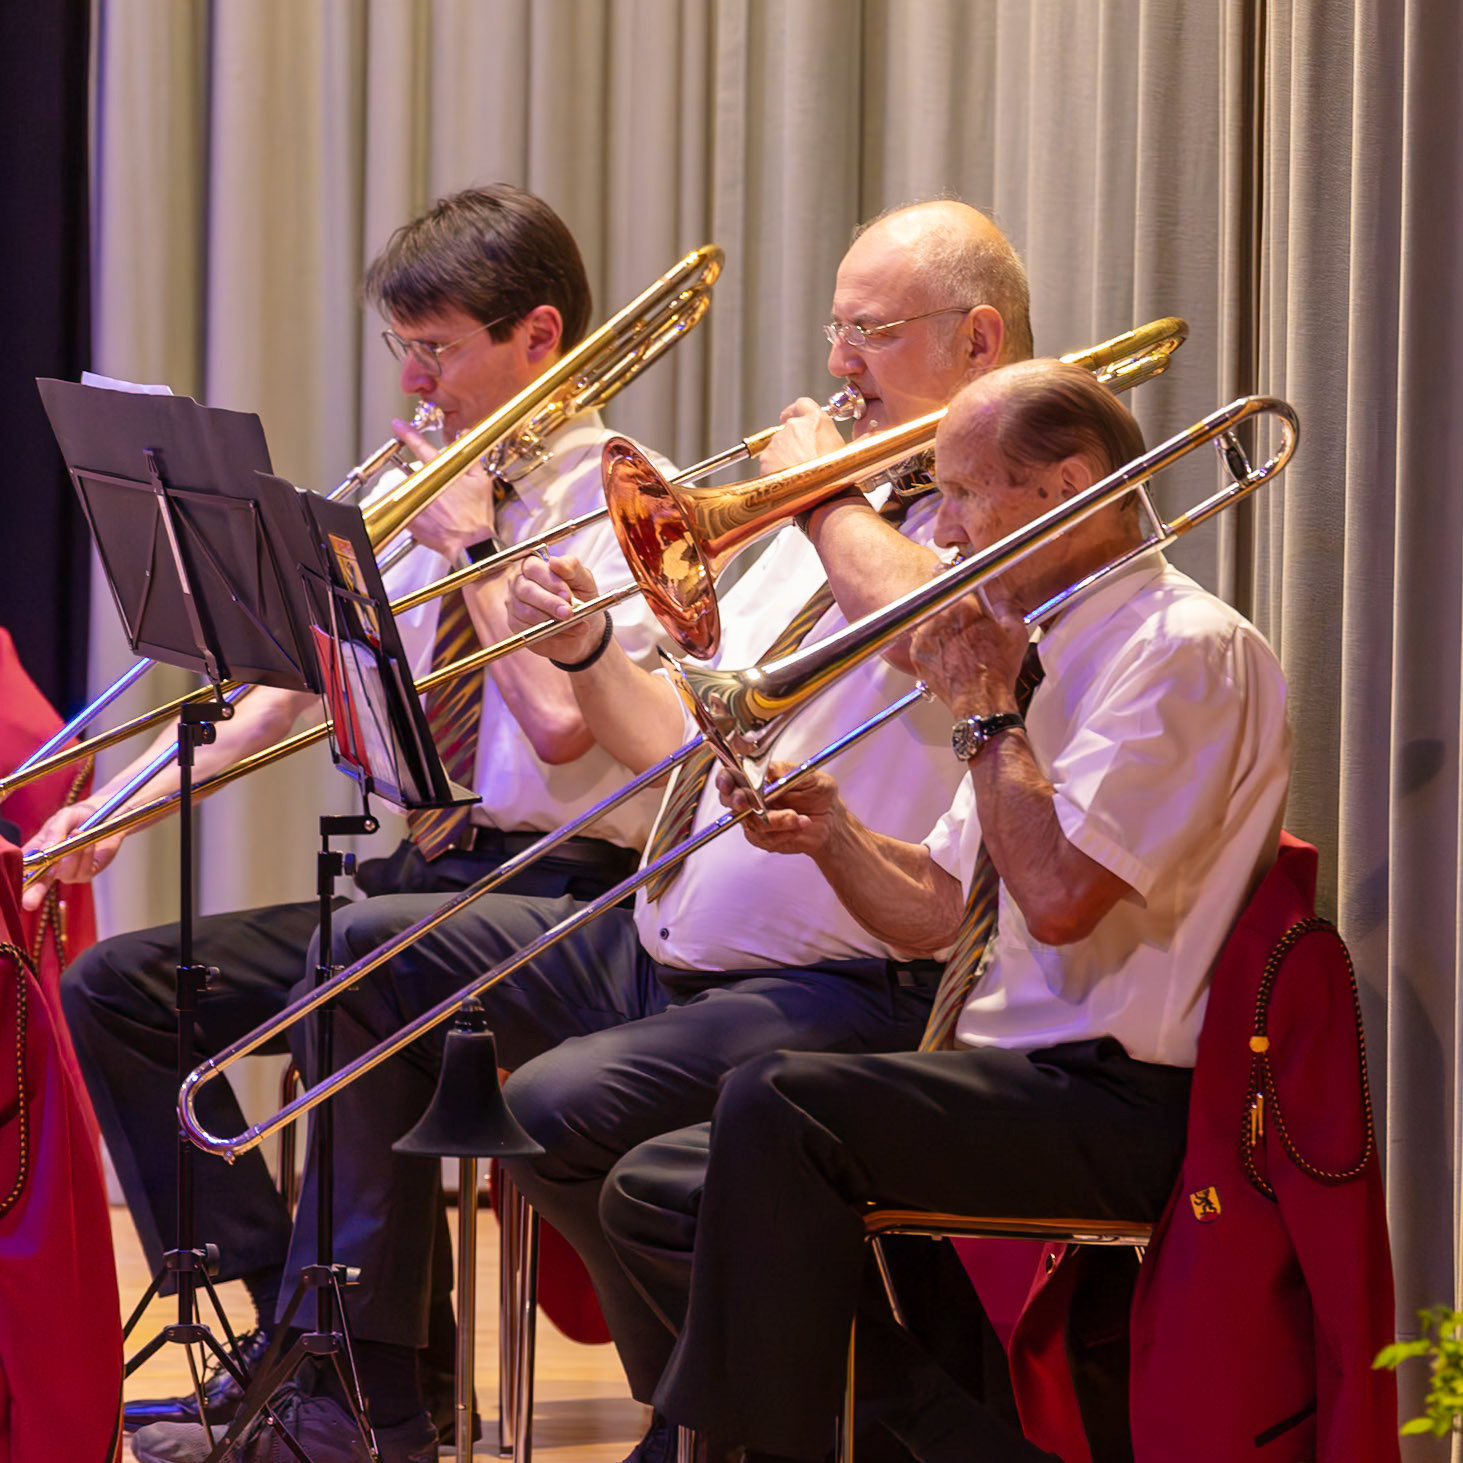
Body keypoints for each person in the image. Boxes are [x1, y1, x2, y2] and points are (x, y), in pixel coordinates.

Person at [128, 200, 1036, 1463]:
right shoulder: (817, 519)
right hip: (670, 924)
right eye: (835, 328)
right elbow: (663, 729)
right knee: (356, 973)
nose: (835, 364)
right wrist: (588, 643)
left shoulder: (1003, 511)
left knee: (560, 1112)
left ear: (976, 340)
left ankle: (761, 1420)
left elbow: (936, 635)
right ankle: (358, 1383)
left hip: (839, 964)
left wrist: (806, 500)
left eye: (867, 333)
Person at [40, 184, 677, 1445]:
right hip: (430, 877)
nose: (415, 380)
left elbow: (559, 723)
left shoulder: (617, 501)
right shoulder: (434, 490)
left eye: (437, 349)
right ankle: (284, 1328)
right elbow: (278, 692)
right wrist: (108, 810)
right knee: (121, 985)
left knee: (360, 959)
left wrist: (483, 541)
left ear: (538, 337)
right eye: (403, 349)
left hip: (563, 894)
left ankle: (362, 1392)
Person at [605, 358, 1293, 1462]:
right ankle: (942, 1441)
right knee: (652, 1186)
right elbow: (936, 911)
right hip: (1011, 1072)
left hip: (1119, 1096)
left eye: (965, 493)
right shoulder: (1052, 651)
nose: (948, 531)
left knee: (776, 1103)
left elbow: (1061, 900)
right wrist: (829, 830)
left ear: (1067, 483)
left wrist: (981, 708)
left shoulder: (1182, 650)